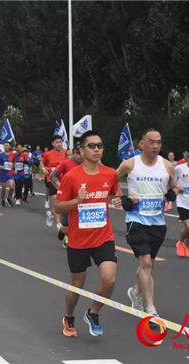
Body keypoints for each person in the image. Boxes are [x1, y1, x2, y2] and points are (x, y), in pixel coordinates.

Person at [55, 130, 122, 337]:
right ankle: (68, 316)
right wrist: (77, 201)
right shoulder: (72, 177)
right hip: (78, 240)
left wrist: (119, 200)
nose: (96, 150)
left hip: (103, 236)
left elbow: (115, 193)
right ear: (82, 151)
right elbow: (58, 207)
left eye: (99, 146)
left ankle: (93, 312)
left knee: (109, 279)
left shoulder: (110, 173)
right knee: (78, 284)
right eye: (91, 146)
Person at [116, 129, 179, 320]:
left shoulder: (167, 166)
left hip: (157, 221)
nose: (155, 146)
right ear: (141, 144)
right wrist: (122, 197)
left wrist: (172, 193)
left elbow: (174, 185)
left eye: (158, 142)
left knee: (148, 264)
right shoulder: (130, 164)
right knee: (145, 262)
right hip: (136, 220)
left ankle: (136, 292)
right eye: (151, 142)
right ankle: (150, 309)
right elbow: (110, 180)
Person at [0, 142, 16, 207]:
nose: (6, 147)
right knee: (3, 188)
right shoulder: (0, 155)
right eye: (5, 145)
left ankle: (9, 198)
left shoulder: (13, 154)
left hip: (10, 172)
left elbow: (14, 162)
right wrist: (1, 167)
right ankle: (2, 199)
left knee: (11, 186)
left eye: (7, 145)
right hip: (3, 173)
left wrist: (15, 168)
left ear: (10, 146)